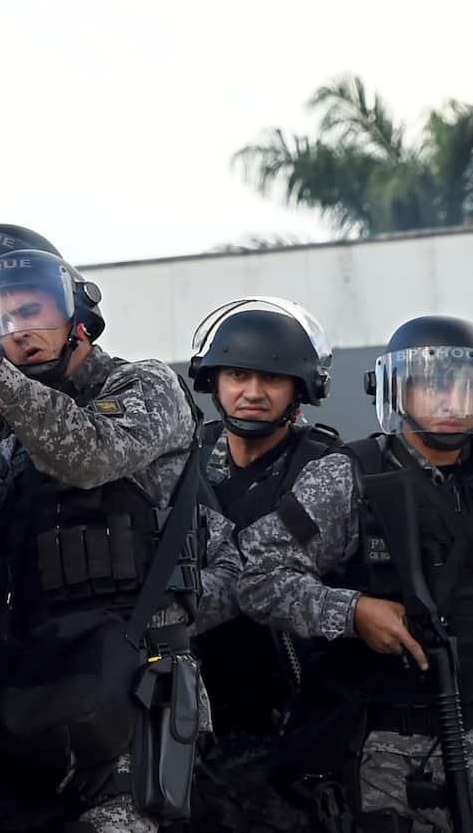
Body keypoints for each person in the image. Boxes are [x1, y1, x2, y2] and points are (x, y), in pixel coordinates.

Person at [0, 248, 240, 832]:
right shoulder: (16, 427)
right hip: (38, 690)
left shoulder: (148, 385)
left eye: (34, 311)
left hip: (137, 687)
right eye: (5, 322)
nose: (22, 335)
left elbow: (93, 454)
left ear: (78, 317)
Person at [237, 314, 473, 832]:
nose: (445, 402)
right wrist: (354, 612)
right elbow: (257, 577)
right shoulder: (349, 477)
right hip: (386, 756)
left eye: (460, 387)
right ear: (398, 392)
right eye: (429, 386)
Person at [184, 297, 337, 832]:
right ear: (214, 380)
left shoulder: (326, 470)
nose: (252, 392)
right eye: (238, 373)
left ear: (301, 388)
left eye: (272, 378)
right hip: (189, 717)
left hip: (291, 722)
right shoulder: (183, 460)